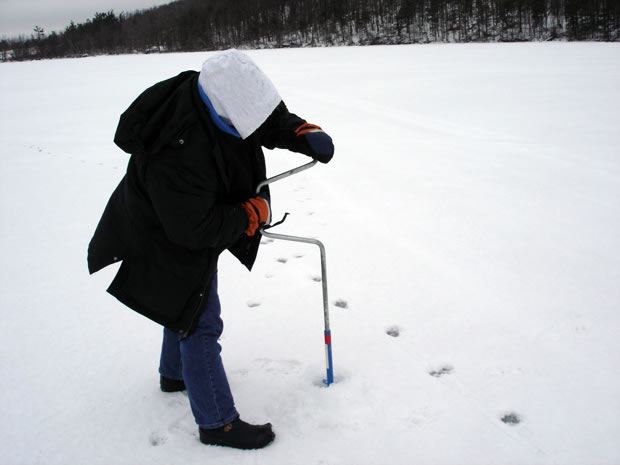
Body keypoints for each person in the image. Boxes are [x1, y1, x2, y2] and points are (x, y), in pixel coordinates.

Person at [87, 49, 334, 450]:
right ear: (222, 109)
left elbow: (263, 116)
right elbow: (194, 228)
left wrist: (300, 132)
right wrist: (248, 214)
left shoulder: (221, 92)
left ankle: (175, 376)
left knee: (182, 300)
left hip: (185, 215)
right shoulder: (176, 150)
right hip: (163, 230)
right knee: (200, 318)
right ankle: (217, 422)